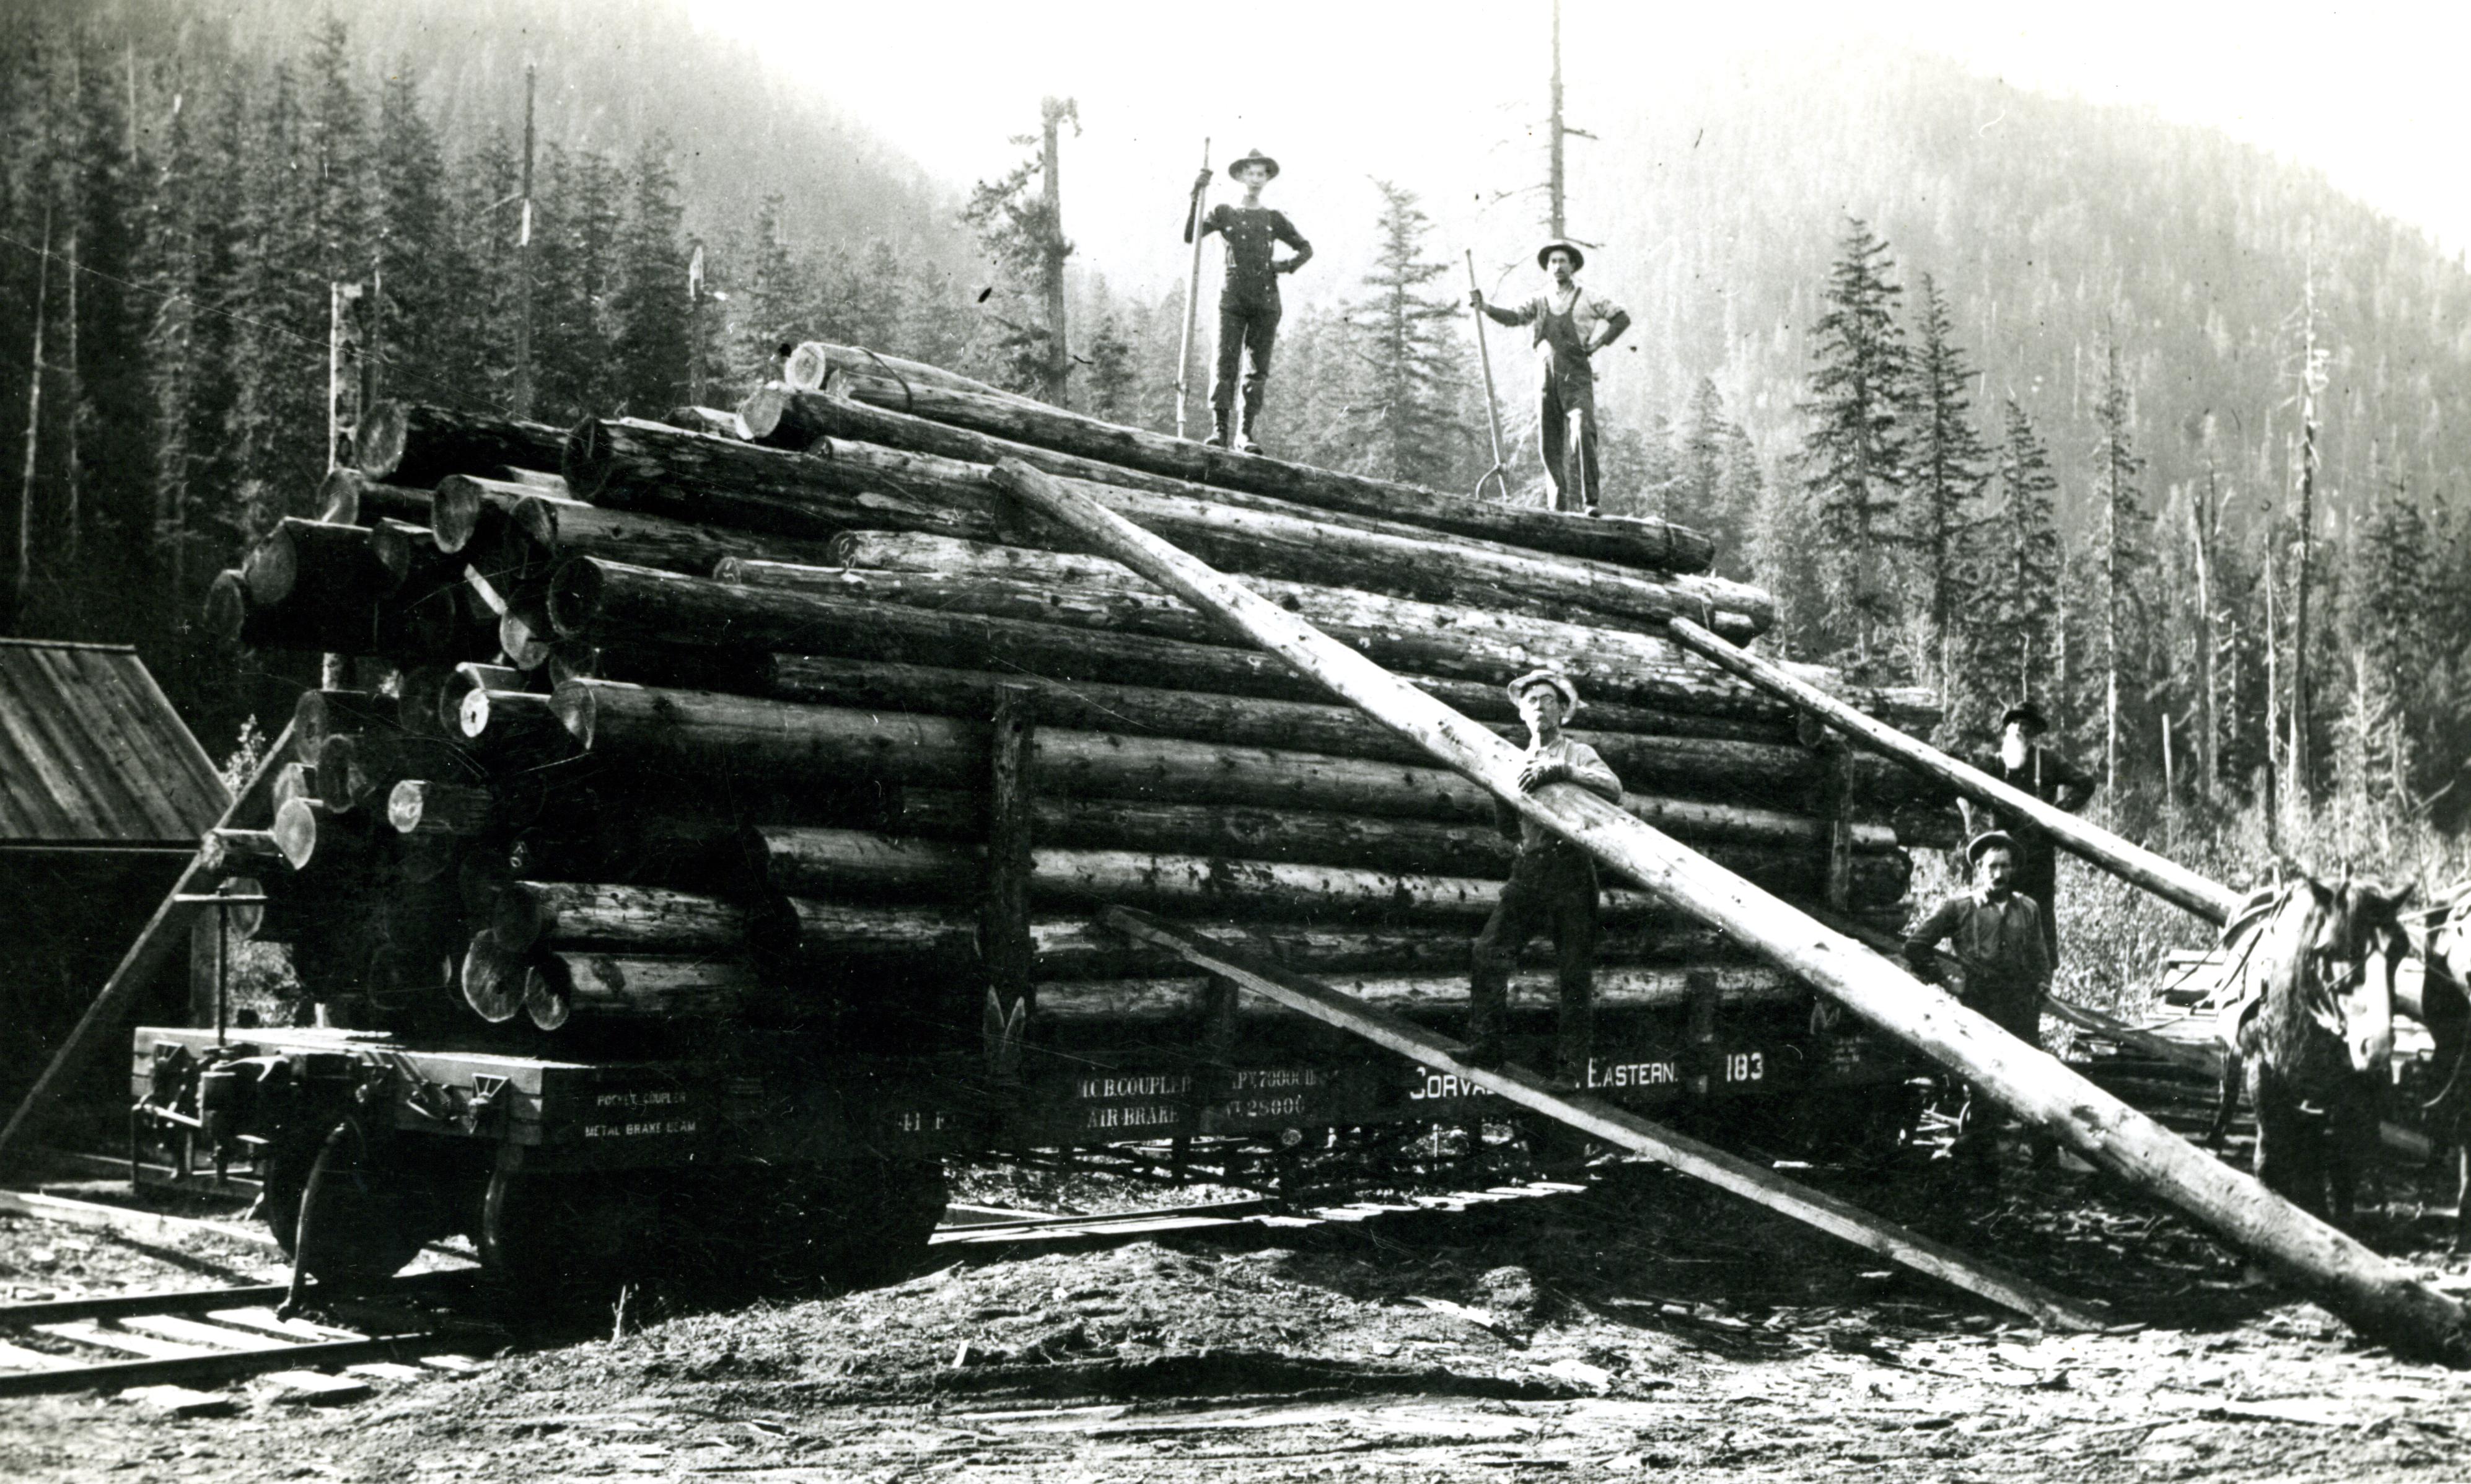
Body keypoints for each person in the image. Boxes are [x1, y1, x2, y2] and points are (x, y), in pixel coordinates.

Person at [1465, 669, 1625, 1078]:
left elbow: (1612, 787)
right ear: (1522, 712)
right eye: (1532, 699)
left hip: (1572, 870)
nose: (1539, 705)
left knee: (1573, 972)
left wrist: (1561, 771)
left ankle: (1571, 1072)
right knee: (1490, 951)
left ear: (1562, 711)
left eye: (1548, 699)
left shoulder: (1577, 752)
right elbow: (1505, 825)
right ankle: (1486, 1048)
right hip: (1531, 870)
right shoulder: (1514, 759)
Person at [1903, 830, 2057, 1181]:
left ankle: (2045, 1165)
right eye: (1991, 867)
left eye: (2005, 866)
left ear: (2013, 869)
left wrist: (2042, 983)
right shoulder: (1958, 909)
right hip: (1979, 1005)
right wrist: (1949, 981)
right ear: (1978, 869)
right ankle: (1982, 1168)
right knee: (1985, 1082)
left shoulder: (2028, 908)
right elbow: (1916, 947)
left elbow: (2041, 957)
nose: (1998, 874)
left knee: (2035, 1079)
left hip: (2020, 1006)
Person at [1468, 240, 1631, 512]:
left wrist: (1598, 343)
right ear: (1548, 267)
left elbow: (1621, 318)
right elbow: (1514, 317)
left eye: (1563, 261)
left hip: (1576, 374)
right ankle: (1559, 506)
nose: (1557, 266)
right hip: (1545, 376)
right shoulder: (1539, 300)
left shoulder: (1589, 297)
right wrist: (1485, 307)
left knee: (1582, 430)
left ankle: (1590, 502)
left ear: (1573, 266)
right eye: (1553, 262)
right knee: (1550, 442)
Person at [1183, 149, 1312, 454]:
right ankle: (1219, 431)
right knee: (1224, 363)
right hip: (1232, 297)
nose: (1256, 179)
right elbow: (1191, 236)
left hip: (1265, 299)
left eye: (1261, 174)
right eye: (1250, 173)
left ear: (1266, 179)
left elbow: (1306, 249)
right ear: (1240, 176)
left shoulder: (1273, 218)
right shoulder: (1224, 212)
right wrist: (1195, 195)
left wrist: (1284, 266)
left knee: (1257, 369)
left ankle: (1245, 434)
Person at [1960, 700, 2097, 964]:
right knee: (1996, 912)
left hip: (2037, 855)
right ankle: (1995, 971)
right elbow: (1964, 782)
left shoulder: (2048, 761)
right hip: (2000, 856)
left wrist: (2057, 812)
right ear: (2006, 730)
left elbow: (2085, 783)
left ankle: (2042, 979)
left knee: (2040, 916)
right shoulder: (1994, 764)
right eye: (2014, 724)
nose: (2019, 729)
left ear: (2034, 733)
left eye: (2026, 725)